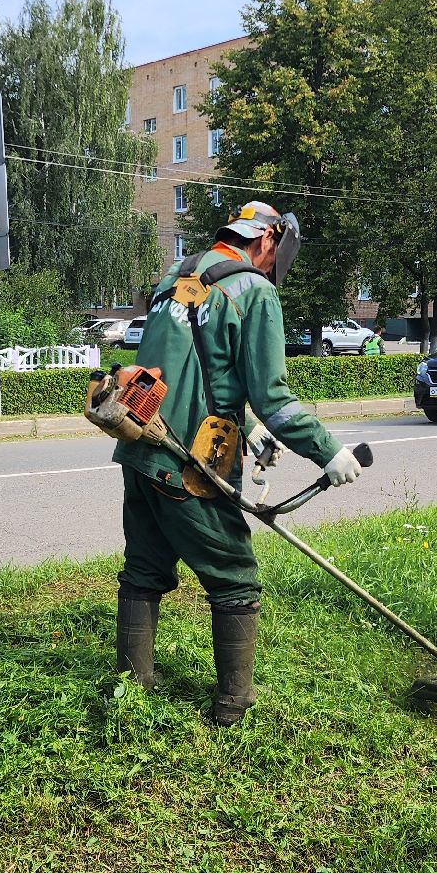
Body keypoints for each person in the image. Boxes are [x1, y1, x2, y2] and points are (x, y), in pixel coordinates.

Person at [111, 201, 363, 726]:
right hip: (189, 462)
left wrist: (250, 431)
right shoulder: (253, 290)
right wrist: (329, 450)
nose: (275, 264)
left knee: (145, 568)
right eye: (277, 252)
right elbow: (274, 395)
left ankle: (131, 687)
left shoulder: (175, 279)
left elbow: (191, 370)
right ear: (268, 238)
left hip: (139, 446)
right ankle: (233, 706)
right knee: (235, 576)